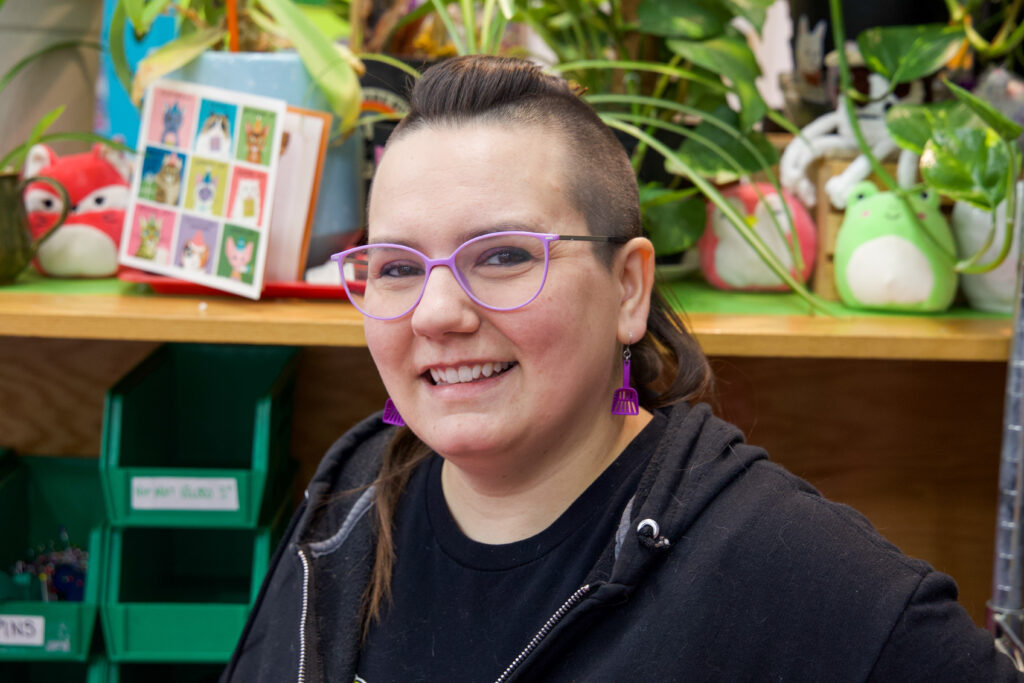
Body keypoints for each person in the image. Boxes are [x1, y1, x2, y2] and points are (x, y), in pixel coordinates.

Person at [223, 56, 1023, 682]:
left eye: (503, 256)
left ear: (629, 288)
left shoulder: (783, 568)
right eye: (397, 266)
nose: (436, 312)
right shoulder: (351, 496)